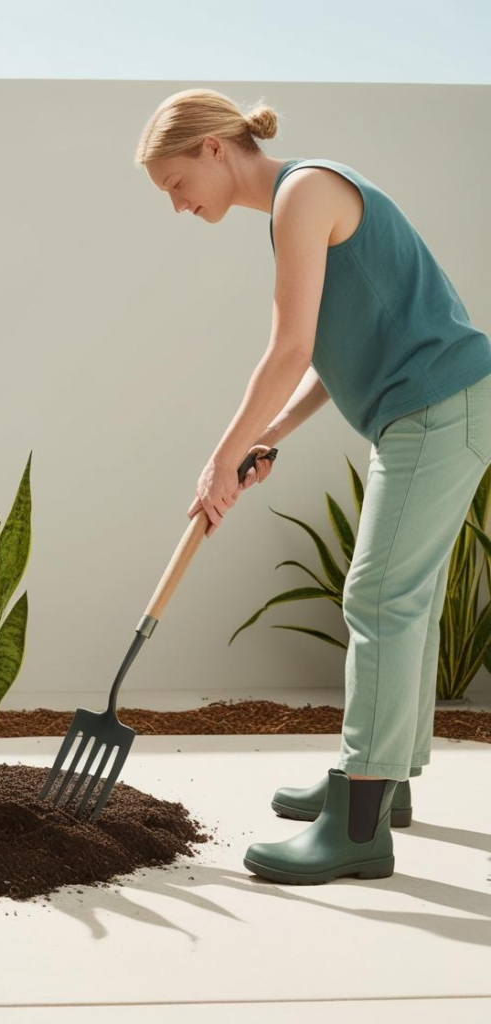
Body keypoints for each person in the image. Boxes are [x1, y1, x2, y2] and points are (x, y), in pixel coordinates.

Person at [135, 88, 491, 885]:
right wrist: (266, 438)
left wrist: (221, 457)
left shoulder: (305, 192)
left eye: (174, 184)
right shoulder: (296, 205)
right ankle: (382, 782)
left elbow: (289, 347)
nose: (177, 205)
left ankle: (359, 825)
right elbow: (335, 354)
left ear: (213, 150)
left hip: (437, 409)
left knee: (378, 597)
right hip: (428, 410)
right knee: (409, 598)